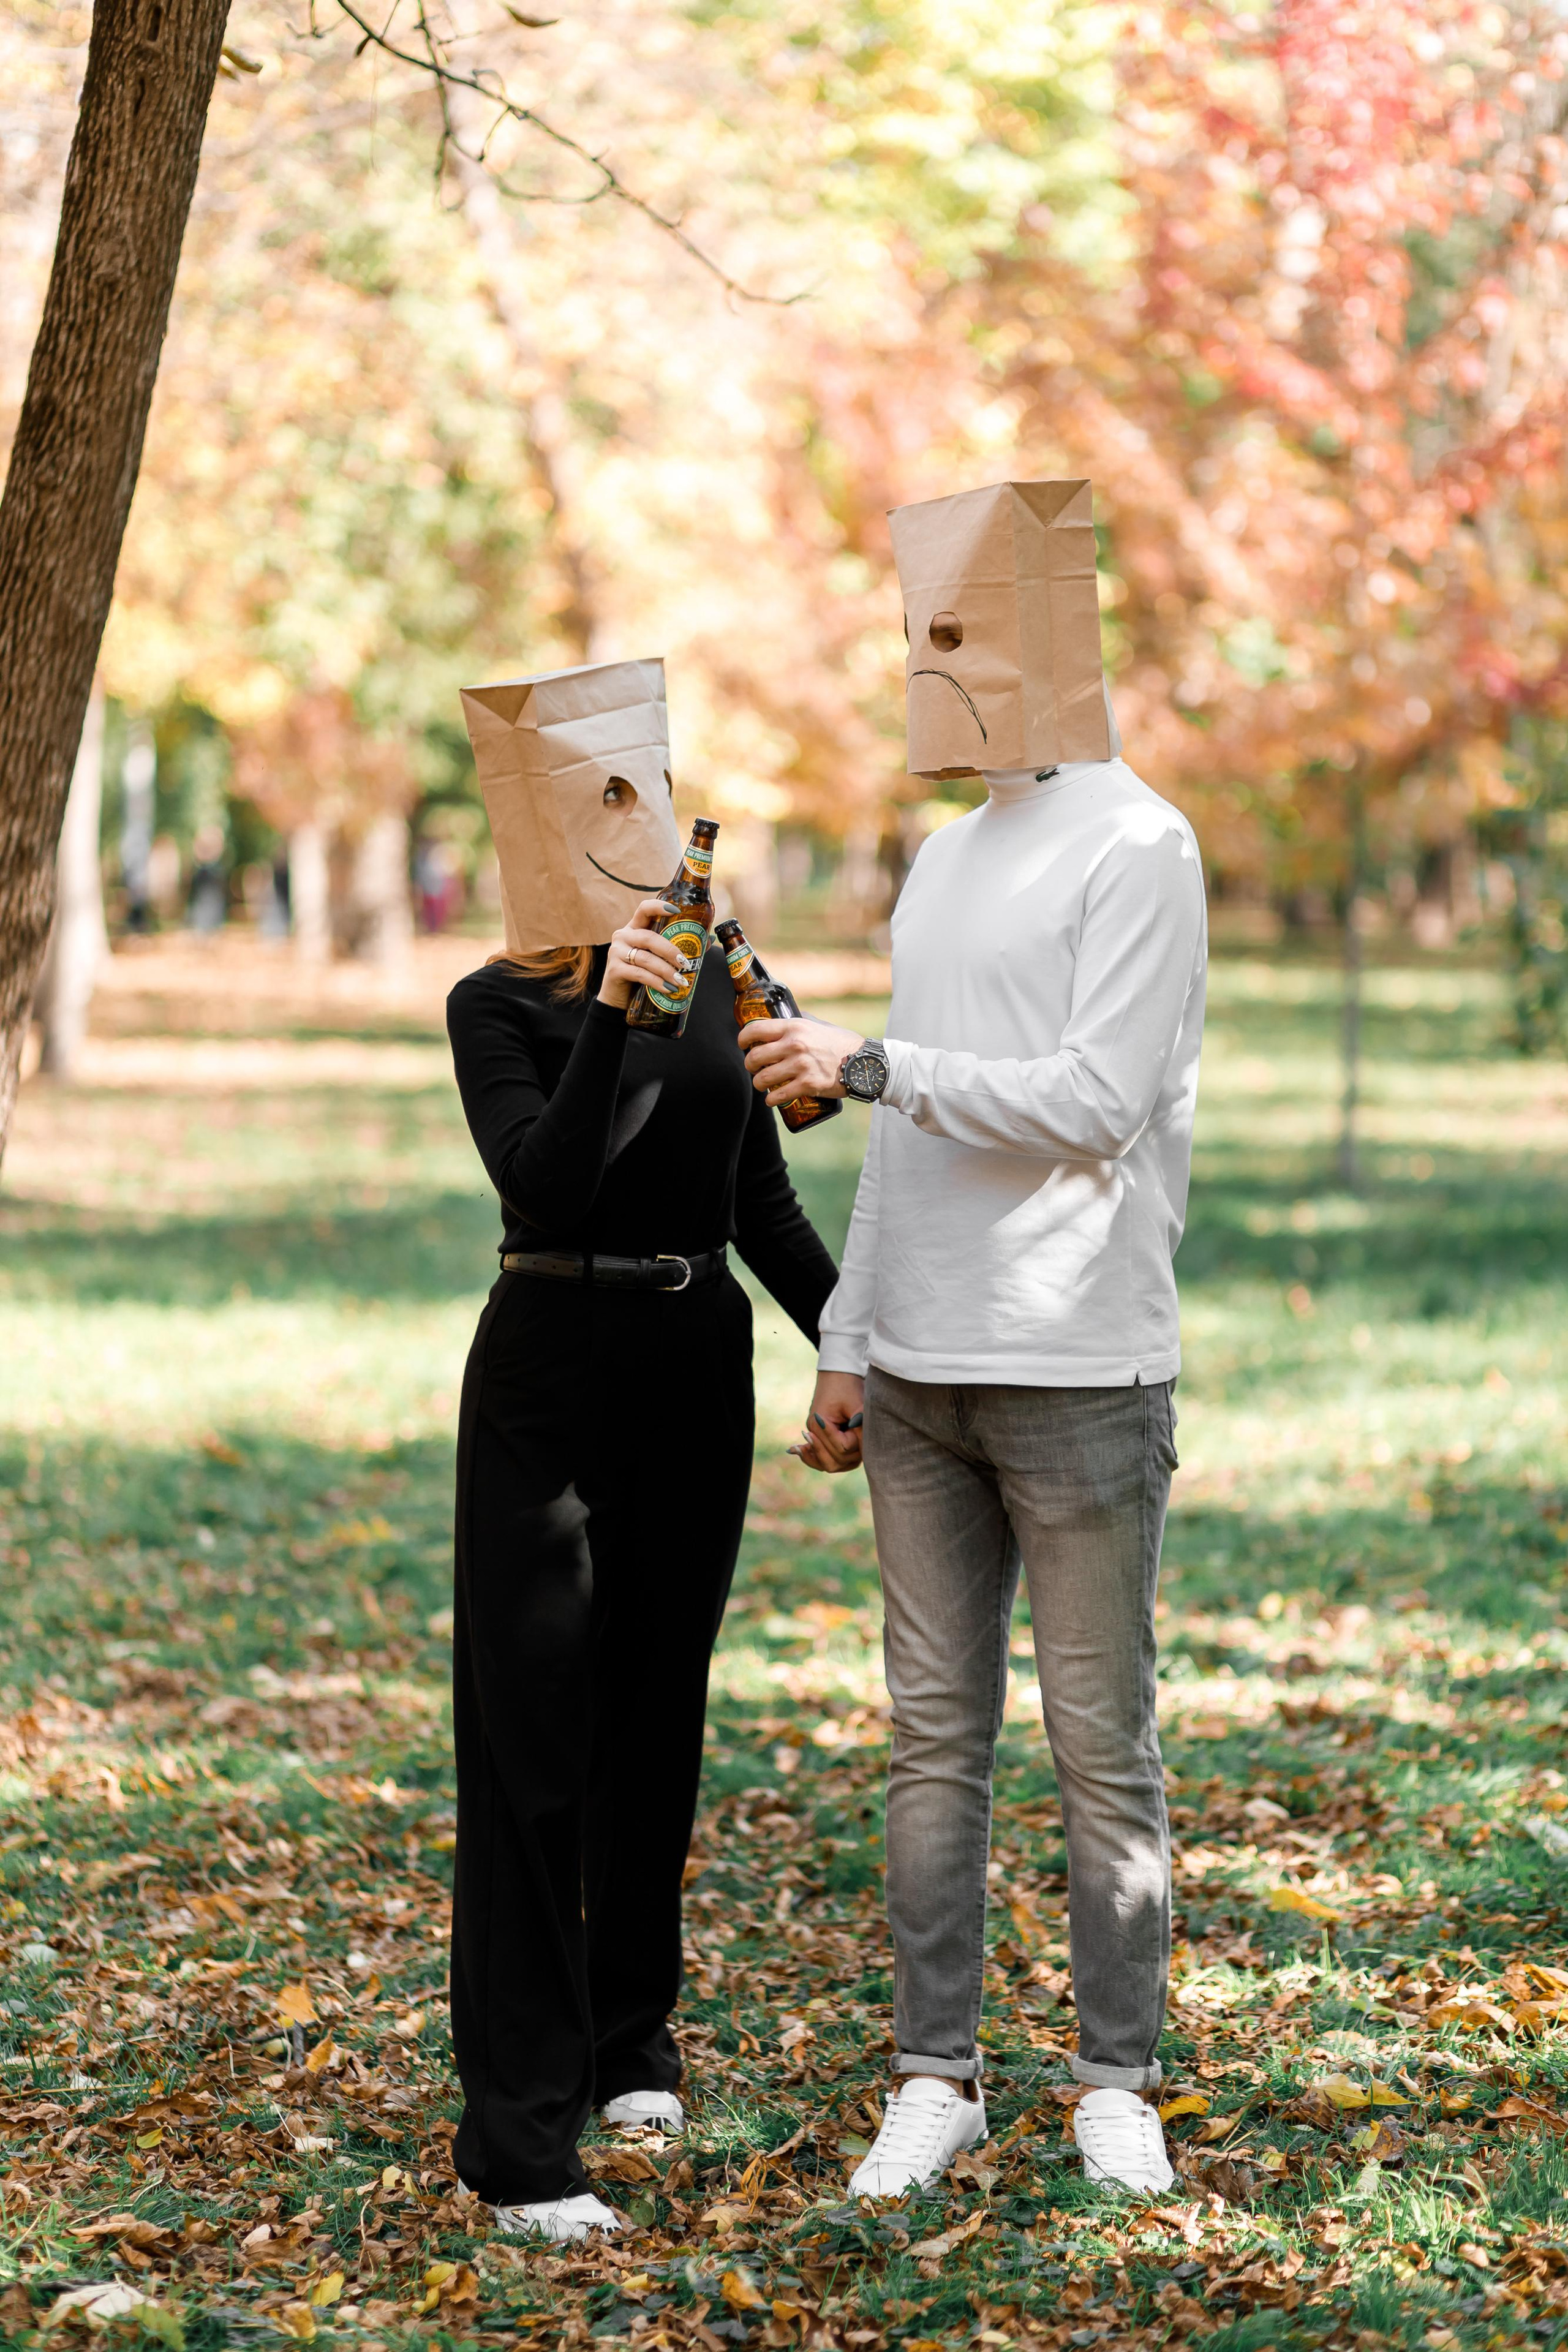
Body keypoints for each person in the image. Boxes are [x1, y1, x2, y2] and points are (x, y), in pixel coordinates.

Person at [740, 481, 1208, 2199]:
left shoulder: (1140, 844)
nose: (930, 667)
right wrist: (851, 1338)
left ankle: (1115, 2082)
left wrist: (874, 1062)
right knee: (932, 1743)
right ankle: (934, 2076)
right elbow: (907, 1132)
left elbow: (1094, 1105)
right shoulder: (943, 856)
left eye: (955, 636)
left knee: (1102, 1742)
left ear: (1047, 637)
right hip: (921, 1375)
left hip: (1082, 1366)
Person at [447, 660, 839, 2243]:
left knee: (655, 1717)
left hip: (697, 1368)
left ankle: (632, 2039)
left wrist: (857, 1347)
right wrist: (612, 1007)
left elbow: (764, 1210)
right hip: (548, 1367)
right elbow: (545, 1186)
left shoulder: (730, 983)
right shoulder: (498, 1001)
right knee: (530, 1744)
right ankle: (522, 2143)